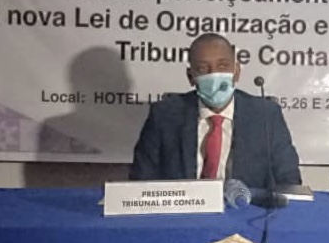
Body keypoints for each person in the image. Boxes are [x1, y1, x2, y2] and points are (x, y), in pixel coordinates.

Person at [129, 33, 302, 188]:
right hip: (184, 211)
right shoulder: (164, 115)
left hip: (246, 210)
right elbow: (141, 181)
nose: (214, 75)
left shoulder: (266, 116)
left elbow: (289, 182)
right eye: (203, 69)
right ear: (191, 76)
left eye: (223, 66)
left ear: (236, 72)